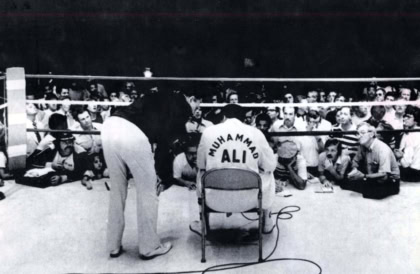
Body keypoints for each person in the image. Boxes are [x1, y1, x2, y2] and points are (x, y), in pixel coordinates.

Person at [101, 90, 199, 259]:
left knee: (117, 190)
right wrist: (161, 176)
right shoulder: (182, 106)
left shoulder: (163, 96)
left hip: (111, 125)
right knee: (148, 192)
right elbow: (164, 145)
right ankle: (149, 246)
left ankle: (113, 245)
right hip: (133, 133)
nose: (196, 110)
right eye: (198, 104)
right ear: (191, 98)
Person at [195, 104, 276, 234]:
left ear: (224, 116)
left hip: (214, 199)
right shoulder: (256, 133)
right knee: (269, 173)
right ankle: (266, 221)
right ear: (244, 119)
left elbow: (200, 164)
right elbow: (270, 165)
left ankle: (203, 223)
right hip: (250, 200)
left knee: (202, 172)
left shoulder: (208, 132)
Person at [345, 122, 400, 199]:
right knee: (345, 182)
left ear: (371, 134)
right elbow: (355, 161)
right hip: (372, 176)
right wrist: (354, 170)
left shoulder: (383, 149)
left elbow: (383, 174)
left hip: (389, 180)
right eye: (357, 133)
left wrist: (363, 176)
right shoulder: (362, 145)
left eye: (362, 133)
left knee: (371, 193)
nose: (358, 136)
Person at [24, 132, 89, 188]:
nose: (68, 144)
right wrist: (50, 165)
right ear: (57, 143)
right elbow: (33, 161)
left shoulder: (80, 153)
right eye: (64, 142)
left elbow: (83, 171)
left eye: (70, 141)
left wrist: (62, 178)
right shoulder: (52, 150)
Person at [393, 106, 420, 182]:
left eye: (408, 117)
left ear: (416, 120)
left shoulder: (412, 135)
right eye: (404, 116)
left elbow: (405, 164)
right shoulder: (409, 132)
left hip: (413, 173)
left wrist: (399, 157)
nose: (404, 118)